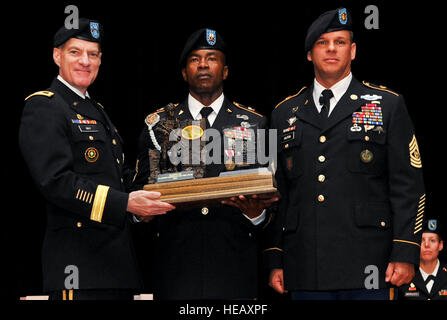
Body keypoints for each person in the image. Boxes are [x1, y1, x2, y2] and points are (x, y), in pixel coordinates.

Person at [264, 8, 426, 300]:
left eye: (339, 42)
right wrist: (276, 256)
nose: (331, 49)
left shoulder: (387, 105)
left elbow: (408, 187)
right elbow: (280, 193)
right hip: (304, 264)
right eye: (322, 42)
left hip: (370, 263)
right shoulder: (284, 112)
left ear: (352, 51)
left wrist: (405, 251)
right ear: (309, 54)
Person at [19, 18, 174, 300]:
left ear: (101, 60)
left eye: (93, 54)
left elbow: (115, 175)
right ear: (57, 56)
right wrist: (126, 203)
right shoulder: (45, 106)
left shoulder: (96, 109)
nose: (85, 61)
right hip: (77, 268)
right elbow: (56, 182)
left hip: (118, 266)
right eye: (75, 52)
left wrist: (160, 191)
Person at [133, 28, 277, 299]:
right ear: (184, 72)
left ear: (224, 70)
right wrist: (142, 213)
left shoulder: (254, 123)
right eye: (194, 59)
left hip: (233, 266)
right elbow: (141, 189)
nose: (202, 64)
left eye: (211, 58)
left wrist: (255, 214)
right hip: (176, 265)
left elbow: (269, 197)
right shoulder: (160, 124)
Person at [398, 218, 447, 300]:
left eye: (432, 240)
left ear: (440, 245)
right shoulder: (404, 276)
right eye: (421, 240)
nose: (427, 245)